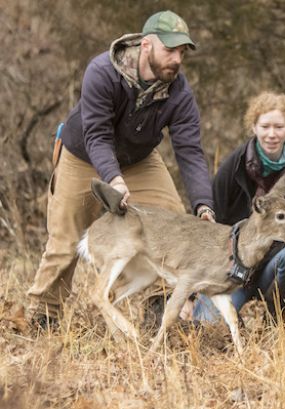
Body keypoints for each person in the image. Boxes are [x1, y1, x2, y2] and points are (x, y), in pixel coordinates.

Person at [27, 10, 215, 327]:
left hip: (139, 159)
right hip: (82, 155)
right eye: (169, 50)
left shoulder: (179, 92)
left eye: (182, 52)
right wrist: (113, 179)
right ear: (145, 45)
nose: (176, 59)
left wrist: (204, 205)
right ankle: (44, 313)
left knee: (170, 217)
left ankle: (159, 305)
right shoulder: (103, 71)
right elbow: (97, 135)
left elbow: (190, 151)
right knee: (65, 242)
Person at [192, 91, 285, 324]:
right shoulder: (234, 167)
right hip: (233, 271)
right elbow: (206, 229)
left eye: (279, 127)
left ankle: (276, 316)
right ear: (253, 127)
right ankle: (230, 316)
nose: (272, 134)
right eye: (265, 126)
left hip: (275, 267)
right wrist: (191, 293)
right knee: (206, 325)